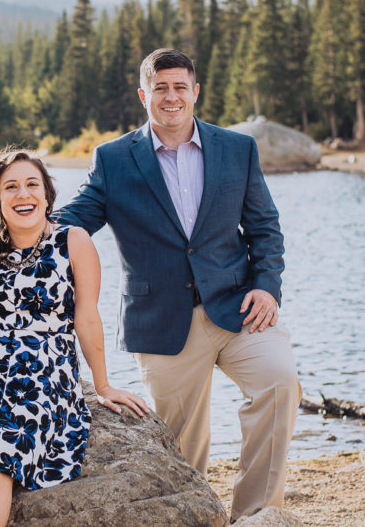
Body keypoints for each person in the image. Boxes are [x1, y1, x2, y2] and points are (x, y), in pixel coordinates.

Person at [56, 48, 301, 521]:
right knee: (181, 443)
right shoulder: (113, 159)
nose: (171, 97)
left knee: (280, 383)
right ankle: (193, 517)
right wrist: (15, 224)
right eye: (161, 88)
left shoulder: (237, 149)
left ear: (196, 92)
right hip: (162, 321)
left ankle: (254, 516)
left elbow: (266, 228)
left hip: (240, 309)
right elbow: (75, 223)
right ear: (144, 94)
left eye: (180, 87)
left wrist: (267, 287)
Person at [0, 149, 148, 527]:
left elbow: (88, 319)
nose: (23, 195)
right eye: (10, 187)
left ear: (47, 195)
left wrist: (102, 385)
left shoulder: (72, 242)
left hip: (45, 373)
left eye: (32, 185)